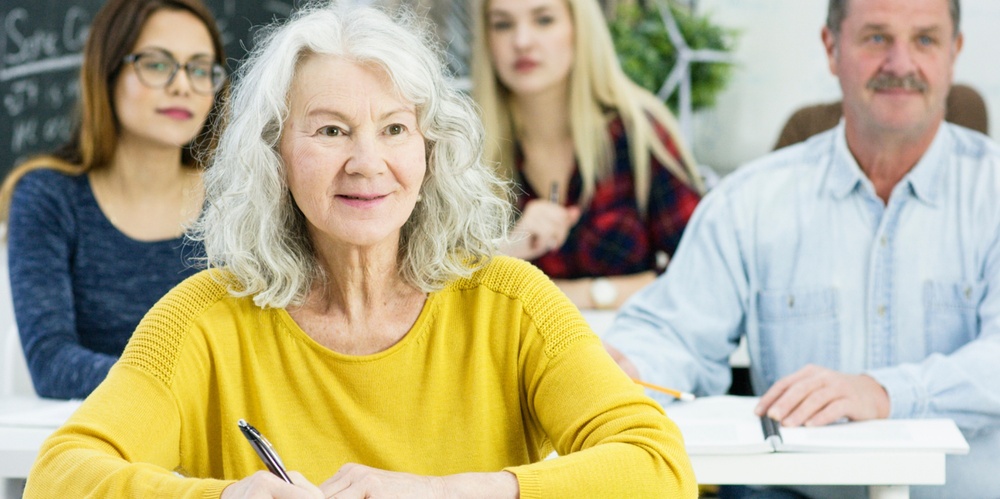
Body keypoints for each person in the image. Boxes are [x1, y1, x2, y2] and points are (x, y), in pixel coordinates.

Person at [25, 3, 697, 497]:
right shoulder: (200, 317)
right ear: (276, 155)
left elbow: (658, 463)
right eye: (331, 130)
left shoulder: (512, 303)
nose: (368, 162)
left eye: (395, 128)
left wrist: (456, 491)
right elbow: (58, 475)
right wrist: (228, 496)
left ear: (430, 152)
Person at [603, 0, 1000, 497]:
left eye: (924, 39)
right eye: (876, 37)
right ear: (831, 49)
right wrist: (633, 366)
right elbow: (675, 332)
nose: (901, 64)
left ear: (954, 52)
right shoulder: (749, 202)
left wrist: (882, 392)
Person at [0, 0, 227, 400]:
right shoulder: (48, 197)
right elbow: (51, 365)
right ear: (107, 74)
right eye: (157, 64)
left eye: (199, 69)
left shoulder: (236, 197)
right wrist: (178, 386)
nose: (182, 85)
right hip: (102, 439)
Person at [471, 0, 703, 310]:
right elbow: (432, 288)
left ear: (580, 29)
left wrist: (591, 294)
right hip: (512, 356)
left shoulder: (637, 132)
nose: (522, 40)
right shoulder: (464, 148)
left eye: (544, 20)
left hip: (621, 352)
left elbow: (703, 271)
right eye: (502, 24)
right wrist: (507, 247)